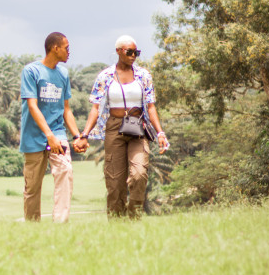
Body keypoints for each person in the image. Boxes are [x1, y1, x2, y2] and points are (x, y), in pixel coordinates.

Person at [76, 35, 169, 219]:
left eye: (137, 52)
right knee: (114, 180)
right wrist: (84, 134)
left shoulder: (143, 75)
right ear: (118, 51)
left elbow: (151, 107)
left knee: (139, 173)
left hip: (138, 127)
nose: (133, 55)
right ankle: (116, 222)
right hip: (114, 127)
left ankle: (134, 216)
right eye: (130, 52)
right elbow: (95, 108)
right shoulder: (105, 76)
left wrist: (160, 133)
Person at [20, 31, 88, 222]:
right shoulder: (31, 71)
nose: (69, 52)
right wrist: (48, 135)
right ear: (54, 48)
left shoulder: (63, 74)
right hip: (33, 135)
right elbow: (32, 106)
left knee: (65, 171)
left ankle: (60, 223)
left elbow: (66, 110)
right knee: (32, 187)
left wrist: (77, 136)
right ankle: (33, 227)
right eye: (66, 48)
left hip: (58, 133)